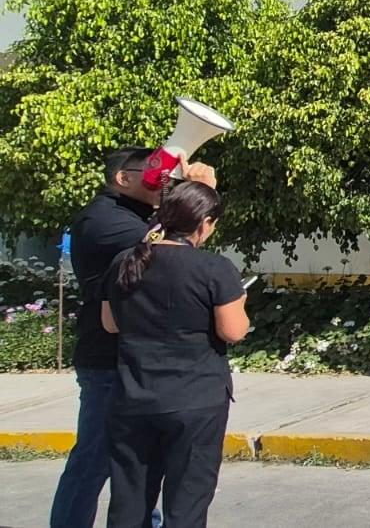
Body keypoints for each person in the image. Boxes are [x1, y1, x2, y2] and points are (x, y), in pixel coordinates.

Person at [52, 147, 215, 528]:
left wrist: (188, 193)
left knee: (139, 466)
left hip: (137, 360)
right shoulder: (104, 220)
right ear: (122, 178)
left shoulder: (135, 215)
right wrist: (198, 194)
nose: (162, 179)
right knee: (93, 462)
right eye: (152, 171)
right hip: (108, 360)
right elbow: (174, 246)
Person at [101, 181, 246, 527]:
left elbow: (110, 323)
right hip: (195, 398)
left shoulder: (126, 260)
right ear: (204, 222)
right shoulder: (214, 268)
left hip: (133, 395)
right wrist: (239, 302)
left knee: (129, 499)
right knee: (186, 502)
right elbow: (233, 331)